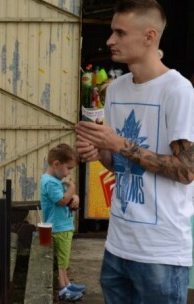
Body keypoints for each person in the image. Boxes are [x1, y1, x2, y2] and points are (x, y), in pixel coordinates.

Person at [75, 0, 194, 303]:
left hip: (160, 254)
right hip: (117, 246)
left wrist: (119, 144)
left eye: (119, 32)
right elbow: (120, 164)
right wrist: (98, 152)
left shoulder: (178, 90)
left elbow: (186, 171)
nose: (109, 41)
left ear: (149, 36)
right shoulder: (115, 89)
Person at [40, 143, 85, 302]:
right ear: (56, 164)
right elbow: (61, 200)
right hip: (59, 227)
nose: (68, 173)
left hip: (63, 226)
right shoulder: (51, 182)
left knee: (64, 258)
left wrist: (75, 198)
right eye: (68, 168)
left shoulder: (53, 180)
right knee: (61, 260)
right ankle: (62, 289)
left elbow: (67, 199)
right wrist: (72, 188)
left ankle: (67, 283)